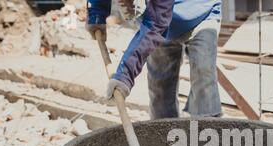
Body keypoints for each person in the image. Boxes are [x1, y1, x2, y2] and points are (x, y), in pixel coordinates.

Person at [86, 0, 222, 119]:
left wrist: (124, 75)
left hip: (202, 14)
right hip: (155, 18)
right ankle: (164, 143)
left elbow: (156, 26)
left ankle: (207, 140)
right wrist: (96, 15)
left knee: (204, 76)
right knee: (160, 92)